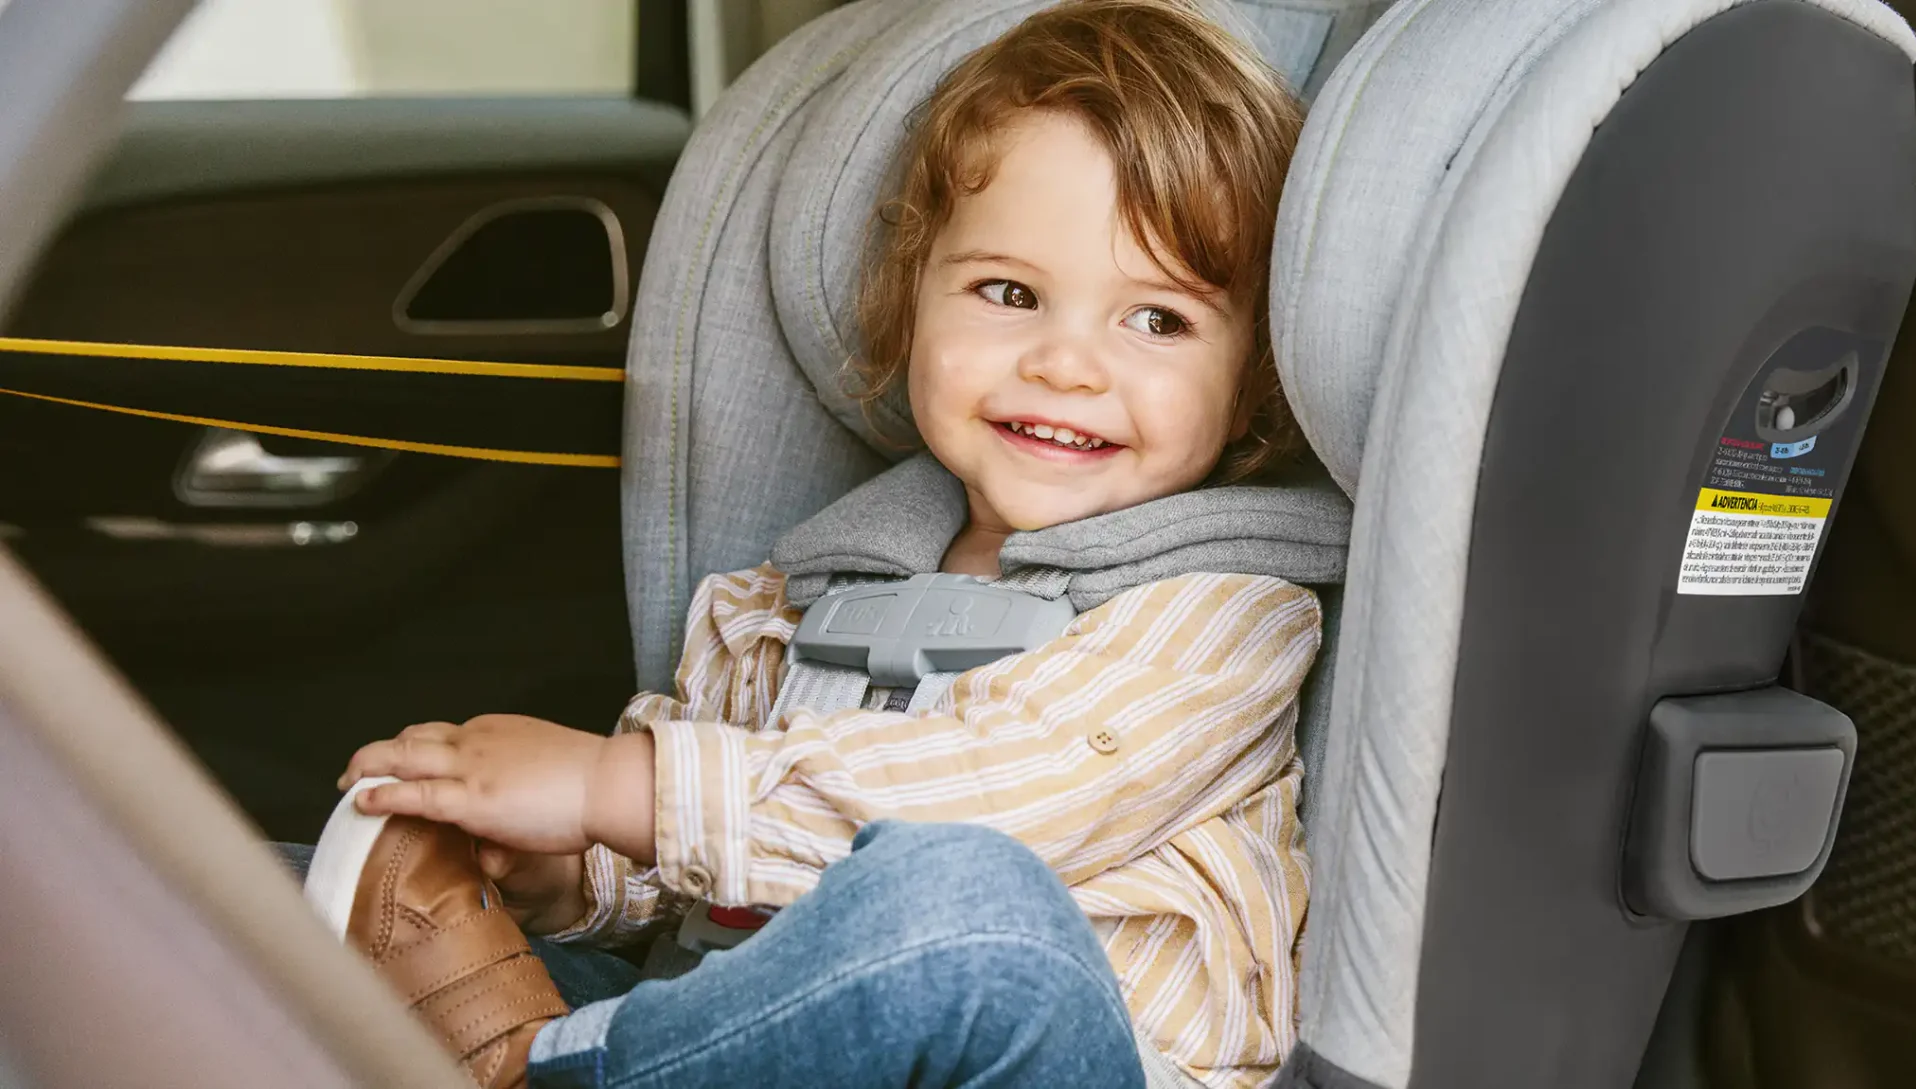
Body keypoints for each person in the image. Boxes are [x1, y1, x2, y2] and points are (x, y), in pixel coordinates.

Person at [313, 3, 1324, 1085]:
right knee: (277, 894)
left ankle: (534, 1072)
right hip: (735, 1034)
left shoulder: (1224, 616)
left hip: (1057, 1052)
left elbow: (997, 798)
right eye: (1008, 293)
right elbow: (704, 879)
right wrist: (568, 875)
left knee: (972, 909)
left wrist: (620, 789)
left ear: (1253, 378)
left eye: (1157, 319)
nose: (1066, 365)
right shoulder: (784, 602)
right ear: (908, 307)